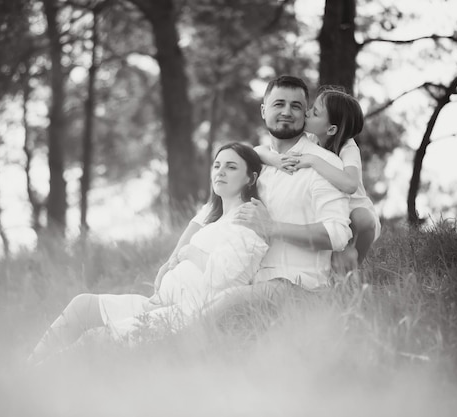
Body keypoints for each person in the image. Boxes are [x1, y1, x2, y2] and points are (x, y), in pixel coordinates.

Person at [28, 143, 268, 365]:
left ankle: (37, 380)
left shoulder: (248, 221)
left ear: (251, 178)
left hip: (184, 316)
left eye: (231, 166)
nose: (220, 172)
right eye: (217, 165)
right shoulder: (216, 219)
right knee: (83, 306)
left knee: (94, 340)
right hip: (159, 305)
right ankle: (26, 369)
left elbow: (226, 277)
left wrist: (190, 253)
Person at [156, 75, 352, 294]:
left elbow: (337, 235)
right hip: (243, 283)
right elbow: (207, 213)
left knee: (218, 307)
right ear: (263, 111)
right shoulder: (252, 160)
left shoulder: (324, 164)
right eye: (278, 104)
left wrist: (273, 228)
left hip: (298, 283)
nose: (286, 112)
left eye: (296, 106)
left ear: (305, 114)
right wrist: (173, 259)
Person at [254, 86, 381, 271]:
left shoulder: (348, 147)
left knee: (362, 219)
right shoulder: (312, 139)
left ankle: (356, 265)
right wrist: (276, 160)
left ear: (331, 129)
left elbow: (350, 184)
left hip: (357, 217)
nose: (306, 113)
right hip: (336, 212)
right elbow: (257, 151)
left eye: (314, 113)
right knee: (331, 253)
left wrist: (313, 161)